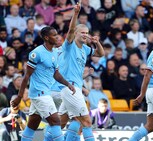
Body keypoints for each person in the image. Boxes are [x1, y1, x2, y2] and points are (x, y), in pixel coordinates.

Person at [10, 26, 75, 141]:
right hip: (40, 94)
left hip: (45, 93)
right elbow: (26, 77)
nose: (57, 37)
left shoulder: (55, 52)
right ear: (46, 37)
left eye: (57, 34)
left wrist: (68, 84)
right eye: (54, 35)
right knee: (56, 121)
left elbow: (56, 74)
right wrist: (19, 97)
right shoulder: (37, 53)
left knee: (32, 126)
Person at [59, 1, 104, 141]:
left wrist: (97, 43)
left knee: (61, 123)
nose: (85, 35)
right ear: (76, 33)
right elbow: (71, 31)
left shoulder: (85, 49)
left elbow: (100, 54)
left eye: (87, 33)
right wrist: (76, 14)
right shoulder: (69, 45)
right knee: (87, 121)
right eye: (82, 32)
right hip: (70, 88)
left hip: (74, 88)